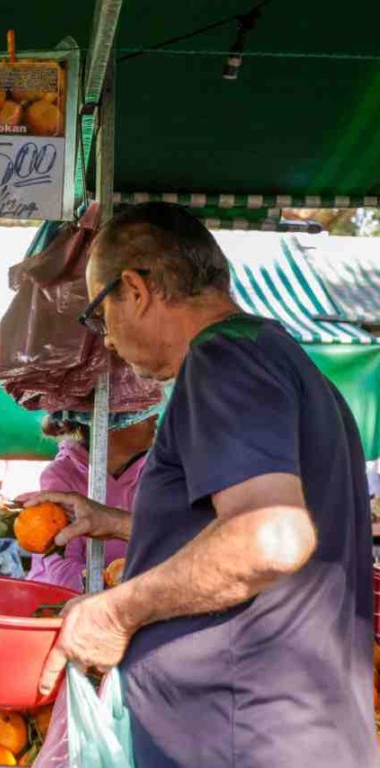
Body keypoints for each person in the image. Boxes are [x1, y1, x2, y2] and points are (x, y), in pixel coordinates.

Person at [20, 202, 374, 767]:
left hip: (240, 737)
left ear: (135, 289)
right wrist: (115, 523)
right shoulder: (281, 361)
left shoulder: (221, 360)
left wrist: (115, 613)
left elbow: (271, 537)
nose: (105, 340)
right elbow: (249, 526)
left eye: (98, 315)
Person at [26, 408, 158, 593]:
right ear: (107, 424)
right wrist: (107, 586)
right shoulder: (61, 476)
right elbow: (60, 565)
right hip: (64, 601)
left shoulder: (159, 473)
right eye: (142, 411)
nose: (155, 416)